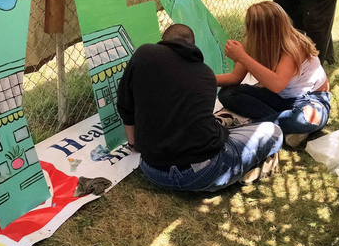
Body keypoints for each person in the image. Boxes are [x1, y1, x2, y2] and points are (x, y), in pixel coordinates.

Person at [116, 24, 283, 191]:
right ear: (193, 46)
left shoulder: (144, 54)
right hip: (202, 173)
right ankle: (246, 168)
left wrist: (133, 144)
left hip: (153, 171)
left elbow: (125, 105)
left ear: (163, 41)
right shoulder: (207, 74)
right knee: (273, 131)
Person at [216, 1, 331, 147]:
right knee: (227, 94)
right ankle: (284, 127)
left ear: (262, 30)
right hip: (279, 99)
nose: (247, 31)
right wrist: (203, 78)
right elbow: (235, 78)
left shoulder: (294, 46)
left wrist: (242, 57)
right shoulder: (252, 42)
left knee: (303, 119)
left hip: (310, 99)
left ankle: (252, 124)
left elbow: (277, 85)